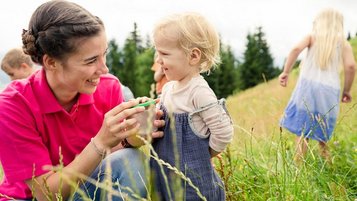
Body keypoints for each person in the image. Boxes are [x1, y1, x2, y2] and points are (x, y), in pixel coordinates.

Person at [0, 1, 164, 200]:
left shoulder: (108, 87)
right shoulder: (13, 105)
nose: (104, 69)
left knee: (131, 159)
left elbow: (115, 158)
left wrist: (132, 135)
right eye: (91, 60)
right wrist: (101, 142)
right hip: (31, 198)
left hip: (85, 189)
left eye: (104, 55)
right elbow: (46, 194)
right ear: (51, 62)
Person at [150, 12, 234, 200]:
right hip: (165, 174)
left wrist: (206, 155)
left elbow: (223, 131)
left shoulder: (199, 92)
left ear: (193, 56)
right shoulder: (169, 88)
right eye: (158, 52)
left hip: (192, 180)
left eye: (164, 53)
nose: (158, 60)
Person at [279, 8, 356, 162]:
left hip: (307, 86)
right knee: (323, 132)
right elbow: (351, 67)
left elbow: (295, 49)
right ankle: (328, 166)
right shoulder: (343, 44)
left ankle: (298, 169)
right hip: (330, 90)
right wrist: (346, 90)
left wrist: (286, 72)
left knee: (302, 131)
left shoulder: (312, 37)